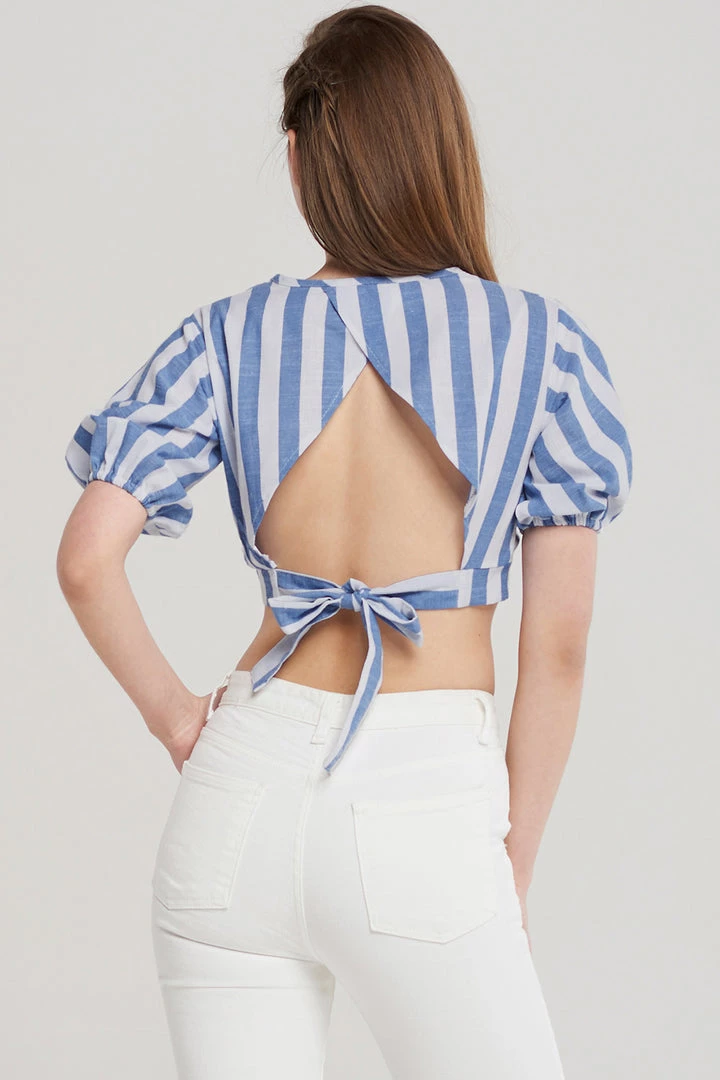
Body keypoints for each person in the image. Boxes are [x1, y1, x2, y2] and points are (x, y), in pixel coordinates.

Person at [56, 6, 633, 1079]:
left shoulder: (225, 335)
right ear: (440, 148)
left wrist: (178, 719)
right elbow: (559, 646)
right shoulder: (537, 345)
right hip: (422, 805)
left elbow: (87, 558)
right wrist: (511, 861)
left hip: (238, 797)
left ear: (298, 160)